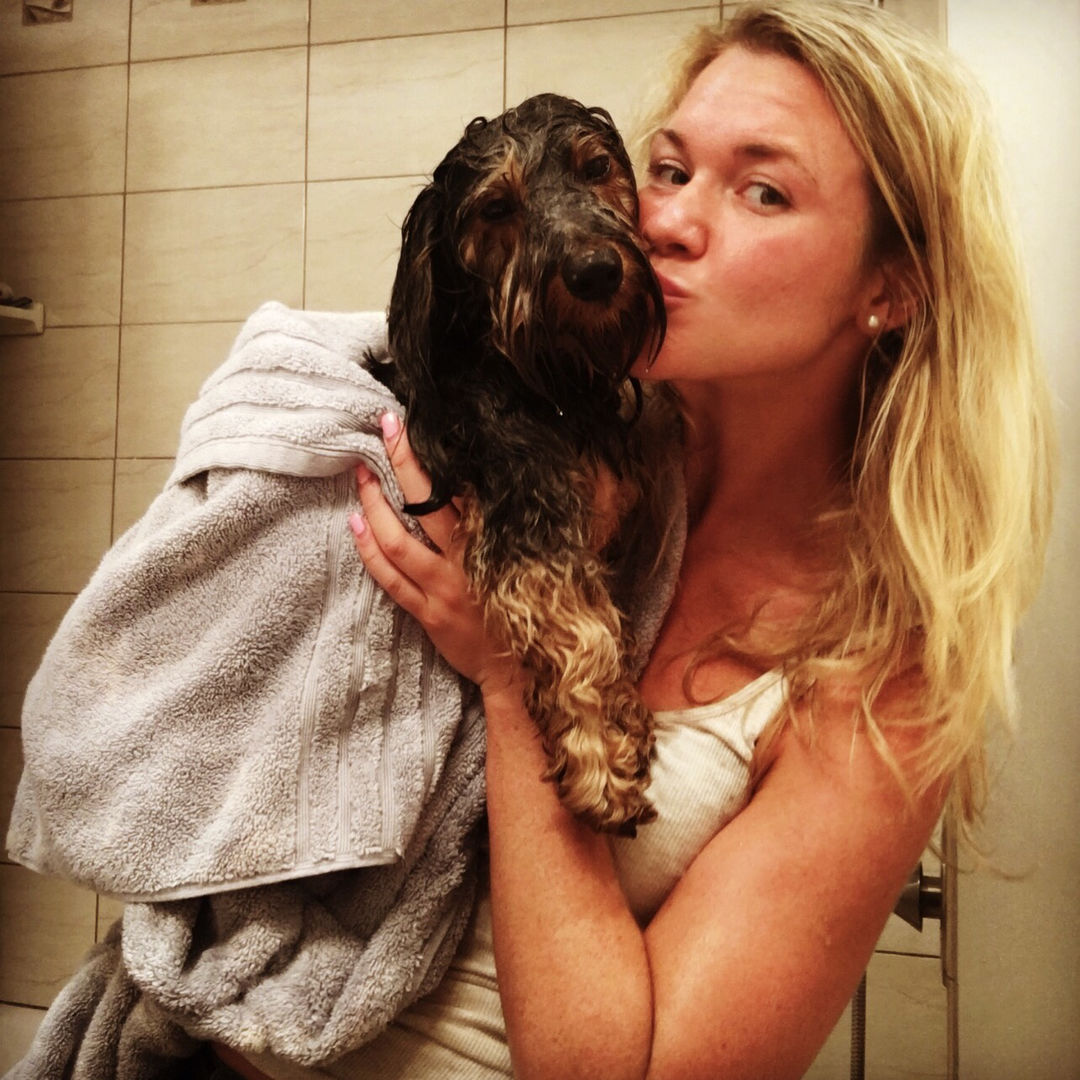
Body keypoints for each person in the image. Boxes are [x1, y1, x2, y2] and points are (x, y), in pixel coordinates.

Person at [216, 3, 1057, 1079]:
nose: (668, 224)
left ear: (887, 288)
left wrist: (515, 676)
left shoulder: (882, 682)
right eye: (667, 170)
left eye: (763, 190)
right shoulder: (547, 431)